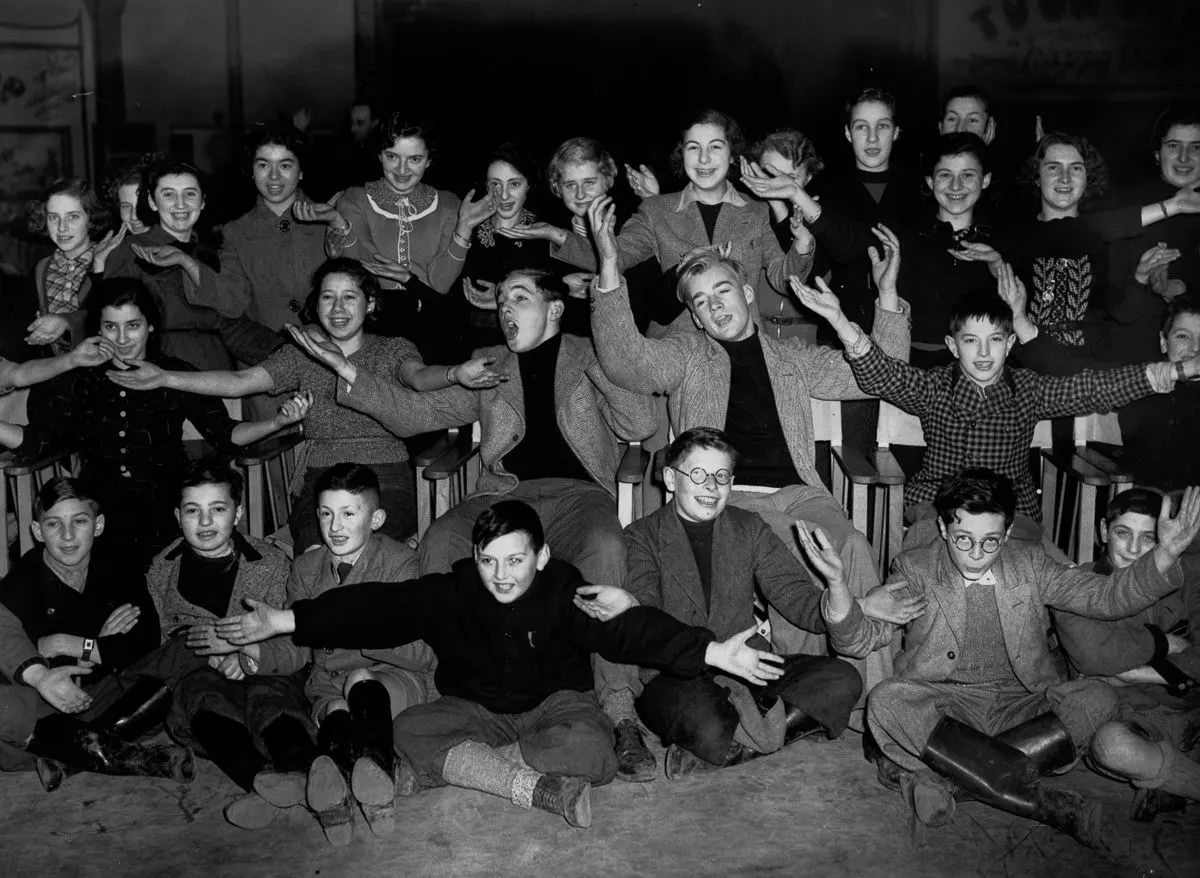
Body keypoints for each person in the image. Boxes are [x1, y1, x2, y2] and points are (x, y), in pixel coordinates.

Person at [211, 500, 786, 828]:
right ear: (475, 559)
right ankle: (529, 787)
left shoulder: (565, 592)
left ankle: (472, 770)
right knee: (409, 728)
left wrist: (711, 651)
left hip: (556, 705)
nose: (502, 575)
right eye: (489, 561)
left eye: (516, 560)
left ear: (540, 555)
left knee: (593, 749)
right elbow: (375, 608)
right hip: (476, 708)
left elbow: (630, 630)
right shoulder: (453, 592)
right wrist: (285, 622)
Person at [586, 196, 908, 714]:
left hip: (800, 493)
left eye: (722, 291)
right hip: (731, 498)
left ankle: (879, 702)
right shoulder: (688, 356)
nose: (714, 306)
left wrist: (887, 297)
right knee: (801, 558)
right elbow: (628, 364)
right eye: (700, 302)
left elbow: (875, 377)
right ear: (693, 317)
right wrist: (608, 269)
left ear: (748, 291)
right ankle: (802, 692)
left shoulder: (792, 360)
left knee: (852, 547)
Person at [809, 468, 1200, 851]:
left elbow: (1108, 597)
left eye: (991, 542)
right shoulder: (917, 569)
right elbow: (858, 642)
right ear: (944, 530)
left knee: (1097, 697)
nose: (976, 555)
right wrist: (840, 592)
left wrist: (1165, 554)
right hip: (948, 706)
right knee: (887, 701)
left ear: (1009, 533)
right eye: (962, 539)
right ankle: (1047, 806)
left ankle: (950, 780)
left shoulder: (1031, 564)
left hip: (1021, 704)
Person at [106, 258, 500, 549]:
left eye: (350, 297)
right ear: (316, 305)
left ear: (371, 304)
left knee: (368, 551)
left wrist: (454, 373)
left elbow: (418, 377)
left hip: (385, 473)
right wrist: (163, 376)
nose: (339, 308)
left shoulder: (392, 349)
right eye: (328, 297)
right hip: (318, 474)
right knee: (315, 554)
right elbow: (240, 382)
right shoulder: (302, 354)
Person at [799, 277, 1196, 542]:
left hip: (1011, 511)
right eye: (971, 341)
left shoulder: (1028, 388)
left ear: (1009, 344)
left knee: (1024, 572)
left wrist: (1175, 370)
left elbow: (1093, 388)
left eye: (994, 340)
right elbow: (881, 375)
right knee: (927, 560)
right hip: (938, 504)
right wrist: (839, 320)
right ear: (954, 348)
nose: (984, 353)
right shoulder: (934, 385)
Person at [598, 428, 882, 779]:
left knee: (842, 679)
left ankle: (733, 749)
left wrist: (836, 586)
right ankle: (763, 731)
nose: (712, 487)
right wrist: (711, 652)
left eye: (722, 476)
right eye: (698, 475)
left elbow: (798, 600)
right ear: (671, 478)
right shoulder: (642, 536)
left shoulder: (749, 527)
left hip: (750, 665)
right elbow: (649, 620)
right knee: (705, 720)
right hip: (678, 674)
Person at [4, 278, 311, 566]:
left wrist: (276, 422)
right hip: (101, 509)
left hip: (166, 508)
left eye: (133, 326)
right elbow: (38, 442)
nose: (122, 338)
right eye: (111, 327)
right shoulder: (81, 378)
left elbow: (228, 434)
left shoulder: (173, 372)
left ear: (150, 326)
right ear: (98, 329)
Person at [229, 463, 435, 842]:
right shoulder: (306, 568)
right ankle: (335, 803)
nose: (335, 527)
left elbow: (421, 653)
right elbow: (298, 649)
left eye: (348, 514)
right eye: (325, 514)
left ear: (376, 519)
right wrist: (256, 651)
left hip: (392, 678)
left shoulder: (400, 564)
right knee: (335, 709)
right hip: (330, 686)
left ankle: (376, 780)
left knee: (360, 679)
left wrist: (347, 627)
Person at [120, 461, 315, 830]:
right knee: (201, 702)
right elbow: (165, 641)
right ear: (178, 516)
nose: (205, 522)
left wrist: (244, 657)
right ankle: (261, 783)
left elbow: (289, 636)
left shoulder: (271, 563)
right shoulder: (163, 568)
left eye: (218, 509)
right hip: (200, 675)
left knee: (270, 700)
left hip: (262, 669)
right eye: (193, 511)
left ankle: (307, 770)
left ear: (238, 513)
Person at [0, 477, 193, 790]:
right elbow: (9, 641)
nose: (66, 536)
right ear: (37, 531)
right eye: (53, 524)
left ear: (98, 525)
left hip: (106, 694)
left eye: (79, 521)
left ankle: (70, 756)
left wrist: (68, 643)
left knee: (189, 647)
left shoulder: (118, 564)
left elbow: (142, 640)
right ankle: (126, 755)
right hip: (45, 705)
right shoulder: (26, 575)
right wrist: (98, 645)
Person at [550, 109, 816, 329]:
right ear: (682, 154)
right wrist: (554, 234)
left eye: (715, 147)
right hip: (676, 357)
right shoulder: (655, 210)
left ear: (732, 154)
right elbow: (614, 258)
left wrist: (802, 246)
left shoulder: (756, 212)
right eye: (693, 147)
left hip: (741, 353)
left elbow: (783, 280)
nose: (703, 158)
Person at [1051, 488, 1200, 821]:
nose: (1133, 550)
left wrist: (1134, 672)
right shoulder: (1076, 584)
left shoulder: (1185, 579)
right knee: (1111, 747)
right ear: (1104, 532)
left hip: (1190, 710)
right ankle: (1183, 782)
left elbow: (1115, 667)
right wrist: (1169, 647)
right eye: (1123, 533)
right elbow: (1094, 658)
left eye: (1148, 538)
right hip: (1131, 718)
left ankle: (1173, 783)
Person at [315, 116, 494, 360]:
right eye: (392, 156)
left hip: (432, 331)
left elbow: (440, 283)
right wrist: (338, 224)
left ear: (429, 160)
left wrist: (464, 227)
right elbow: (362, 267)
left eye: (415, 159)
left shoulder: (450, 204)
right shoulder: (354, 199)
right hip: (371, 329)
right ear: (379, 155)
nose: (401, 170)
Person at [454, 143, 579, 354]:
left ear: (528, 185)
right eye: (495, 184)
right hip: (474, 347)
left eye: (514, 184)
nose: (503, 196)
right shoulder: (468, 230)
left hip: (536, 347)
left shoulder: (547, 233)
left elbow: (564, 296)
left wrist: (504, 302)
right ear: (485, 185)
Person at [1105, 107, 1200, 362]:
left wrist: (1175, 288)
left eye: (1196, 147)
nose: (1184, 157)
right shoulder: (1130, 209)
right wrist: (1147, 282)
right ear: (1157, 153)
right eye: (1173, 146)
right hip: (1135, 354)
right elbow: (1115, 304)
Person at [22, 178, 126, 354]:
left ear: (91, 218)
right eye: (54, 217)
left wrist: (66, 322)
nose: (62, 227)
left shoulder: (111, 261)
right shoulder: (41, 269)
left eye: (73, 216)